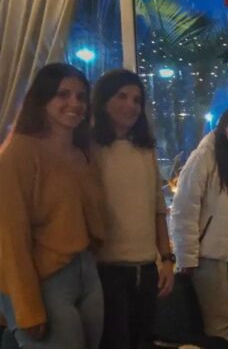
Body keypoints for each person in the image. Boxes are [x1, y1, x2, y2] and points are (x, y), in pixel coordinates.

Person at [0, 63, 105, 349]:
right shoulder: (17, 153)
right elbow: (9, 237)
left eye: (81, 96)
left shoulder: (82, 154)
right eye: (63, 94)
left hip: (85, 270)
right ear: (42, 99)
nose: (75, 103)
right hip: (44, 277)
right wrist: (27, 306)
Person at [90, 70, 174, 349]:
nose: (131, 105)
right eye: (122, 96)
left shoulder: (145, 149)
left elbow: (158, 208)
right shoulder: (89, 149)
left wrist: (167, 260)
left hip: (147, 268)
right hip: (106, 270)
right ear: (103, 100)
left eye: (137, 100)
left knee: (143, 340)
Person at [170, 106, 228, 344]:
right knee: (219, 318)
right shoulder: (204, 156)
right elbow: (184, 208)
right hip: (208, 250)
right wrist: (186, 256)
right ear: (222, 125)